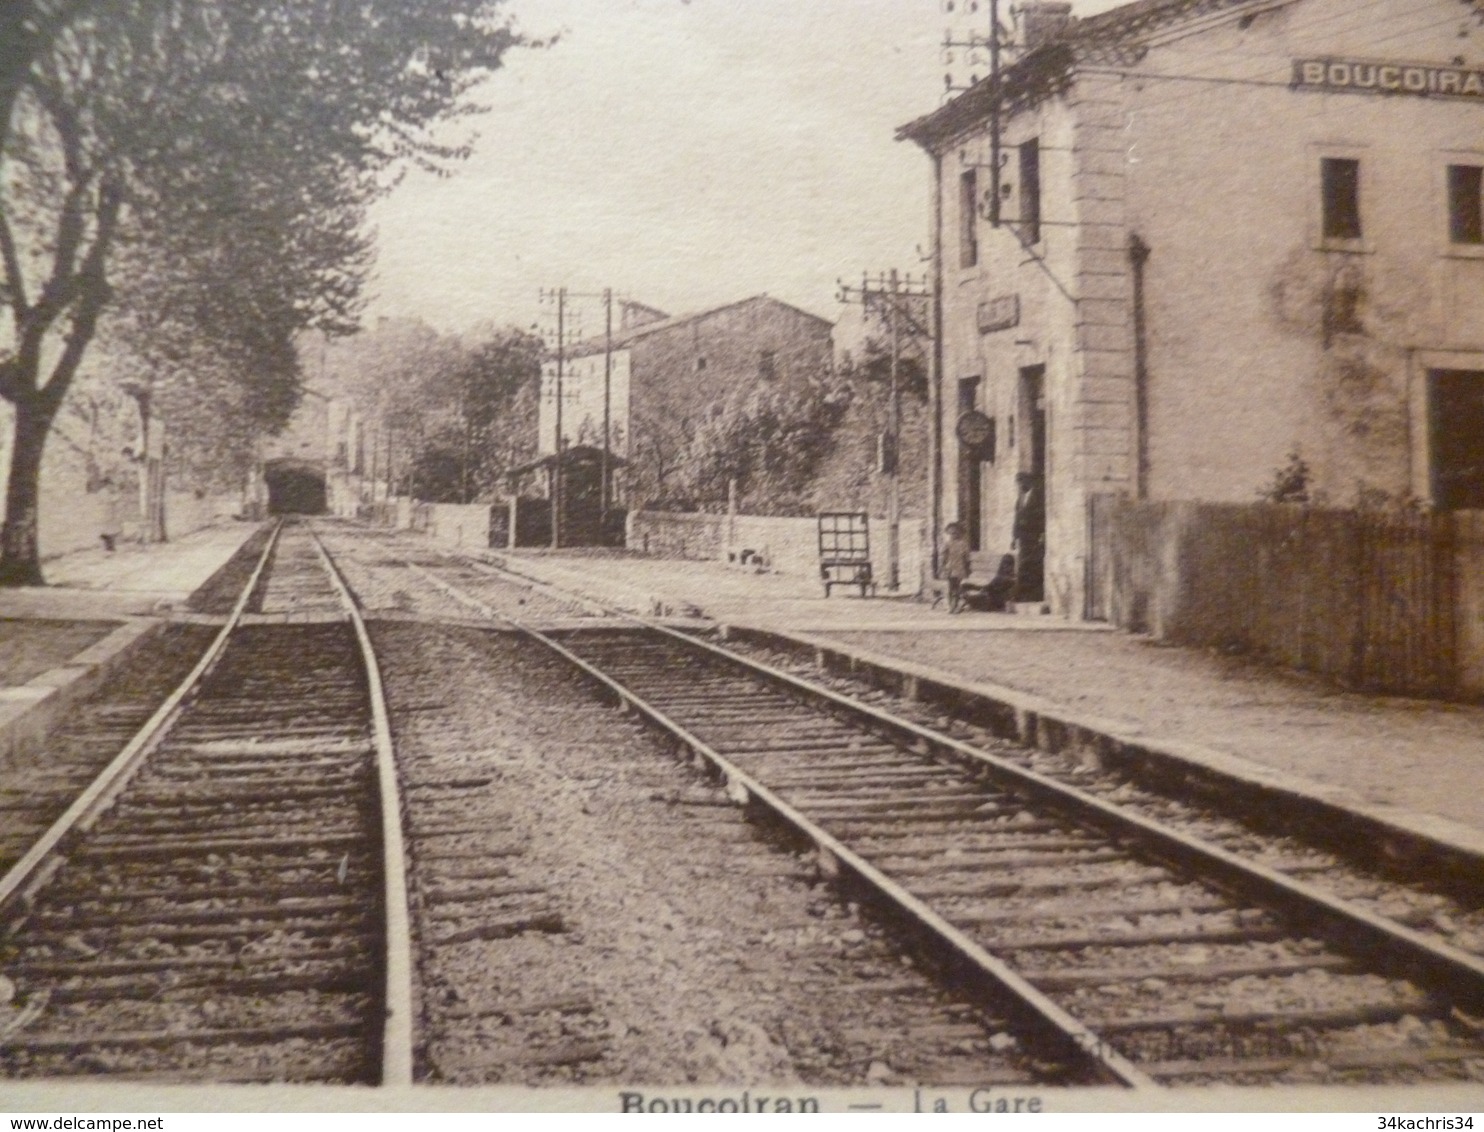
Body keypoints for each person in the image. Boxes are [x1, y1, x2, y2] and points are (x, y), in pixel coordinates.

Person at [1011, 472, 1045, 602]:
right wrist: (1014, 537)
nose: (1019, 486)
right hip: (1023, 537)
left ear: (1028, 482)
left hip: (1034, 536)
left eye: (1021, 482)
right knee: (1023, 564)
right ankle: (1023, 594)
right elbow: (1016, 519)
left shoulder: (1037, 497)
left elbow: (1041, 517)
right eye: (1018, 483)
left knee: (1031, 564)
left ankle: (1031, 594)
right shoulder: (1020, 499)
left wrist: (1042, 534)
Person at [942, 521, 971, 614]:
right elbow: (944, 556)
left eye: (955, 533)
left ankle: (956, 604)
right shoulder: (948, 543)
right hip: (950, 567)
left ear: (960, 533)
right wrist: (943, 566)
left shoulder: (963, 544)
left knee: (957, 587)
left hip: (959, 568)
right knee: (950, 587)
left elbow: (966, 558)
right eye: (951, 533)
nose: (953, 535)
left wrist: (967, 569)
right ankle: (951, 606)